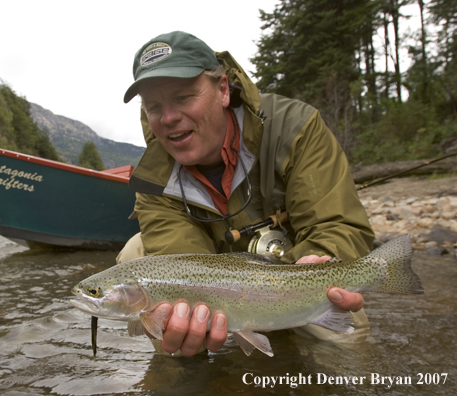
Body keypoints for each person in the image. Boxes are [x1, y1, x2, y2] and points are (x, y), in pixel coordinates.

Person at [118, 31, 375, 356]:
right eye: (154, 106)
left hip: (296, 270)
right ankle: (187, 365)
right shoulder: (151, 177)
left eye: (183, 97)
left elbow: (338, 224)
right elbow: (181, 262)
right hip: (215, 284)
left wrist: (314, 266)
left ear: (223, 89)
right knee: (135, 256)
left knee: (344, 341)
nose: (168, 117)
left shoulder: (295, 127)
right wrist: (190, 313)